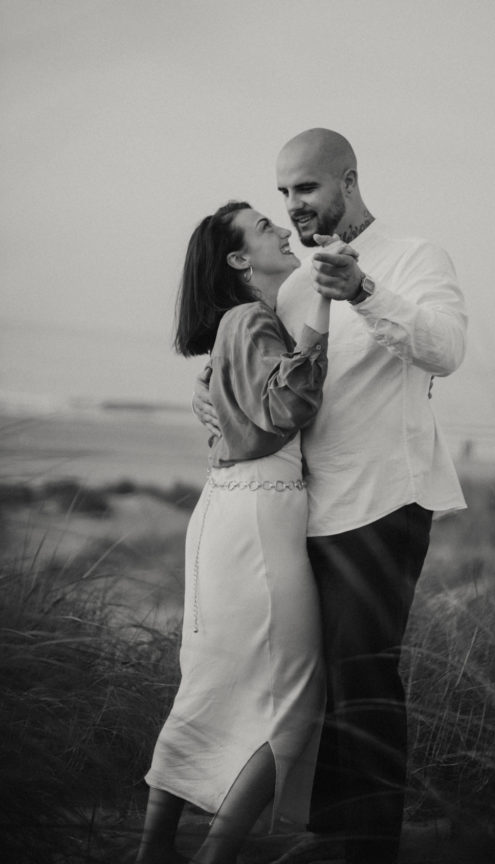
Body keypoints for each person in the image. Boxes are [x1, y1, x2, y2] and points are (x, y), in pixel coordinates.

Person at [194, 129, 468, 864]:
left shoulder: (414, 257)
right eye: (283, 193)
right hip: (301, 511)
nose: (294, 205)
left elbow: (445, 350)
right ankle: (327, 834)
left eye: (306, 189)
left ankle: (366, 844)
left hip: (385, 500)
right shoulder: (287, 286)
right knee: (304, 681)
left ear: (347, 180)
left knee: (363, 670)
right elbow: (275, 389)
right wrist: (214, 403)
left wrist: (366, 292)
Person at [136, 200, 339, 864]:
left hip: (228, 510)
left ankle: (155, 847)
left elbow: (243, 415)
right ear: (238, 259)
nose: (282, 228)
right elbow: (284, 409)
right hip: (259, 514)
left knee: (212, 680)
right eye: (263, 227)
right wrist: (322, 323)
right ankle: (214, 854)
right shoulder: (253, 318)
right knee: (297, 690)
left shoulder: (238, 326)